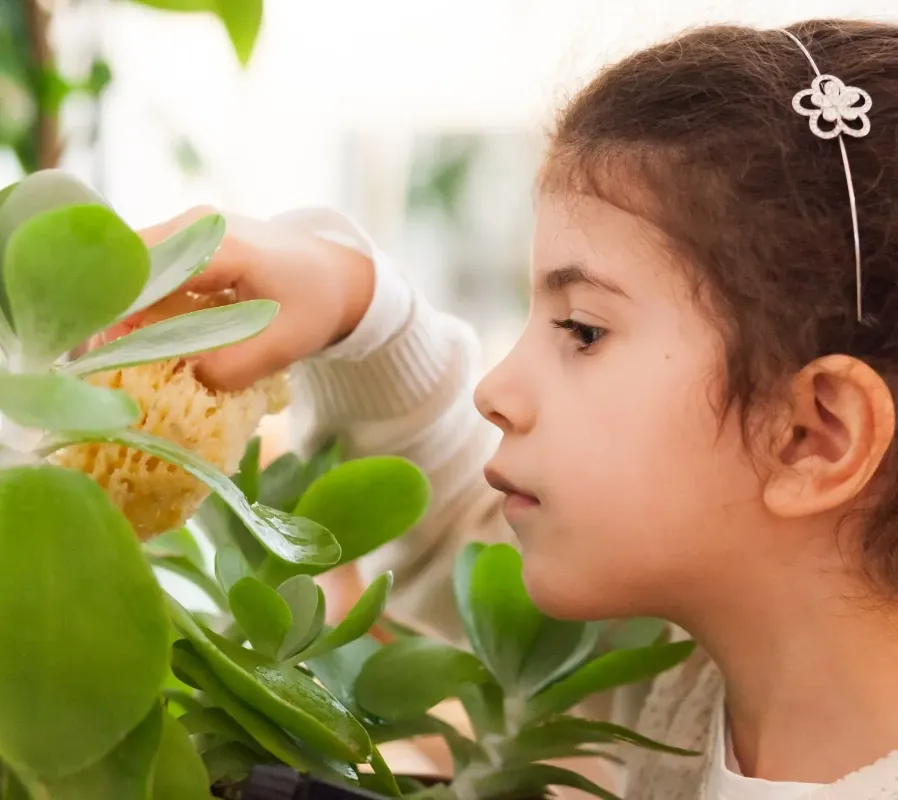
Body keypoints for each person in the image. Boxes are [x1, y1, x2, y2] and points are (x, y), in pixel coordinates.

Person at [137, 18, 898, 799]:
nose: (494, 391)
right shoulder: (700, 688)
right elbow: (462, 522)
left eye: (583, 330)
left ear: (814, 435)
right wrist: (355, 307)